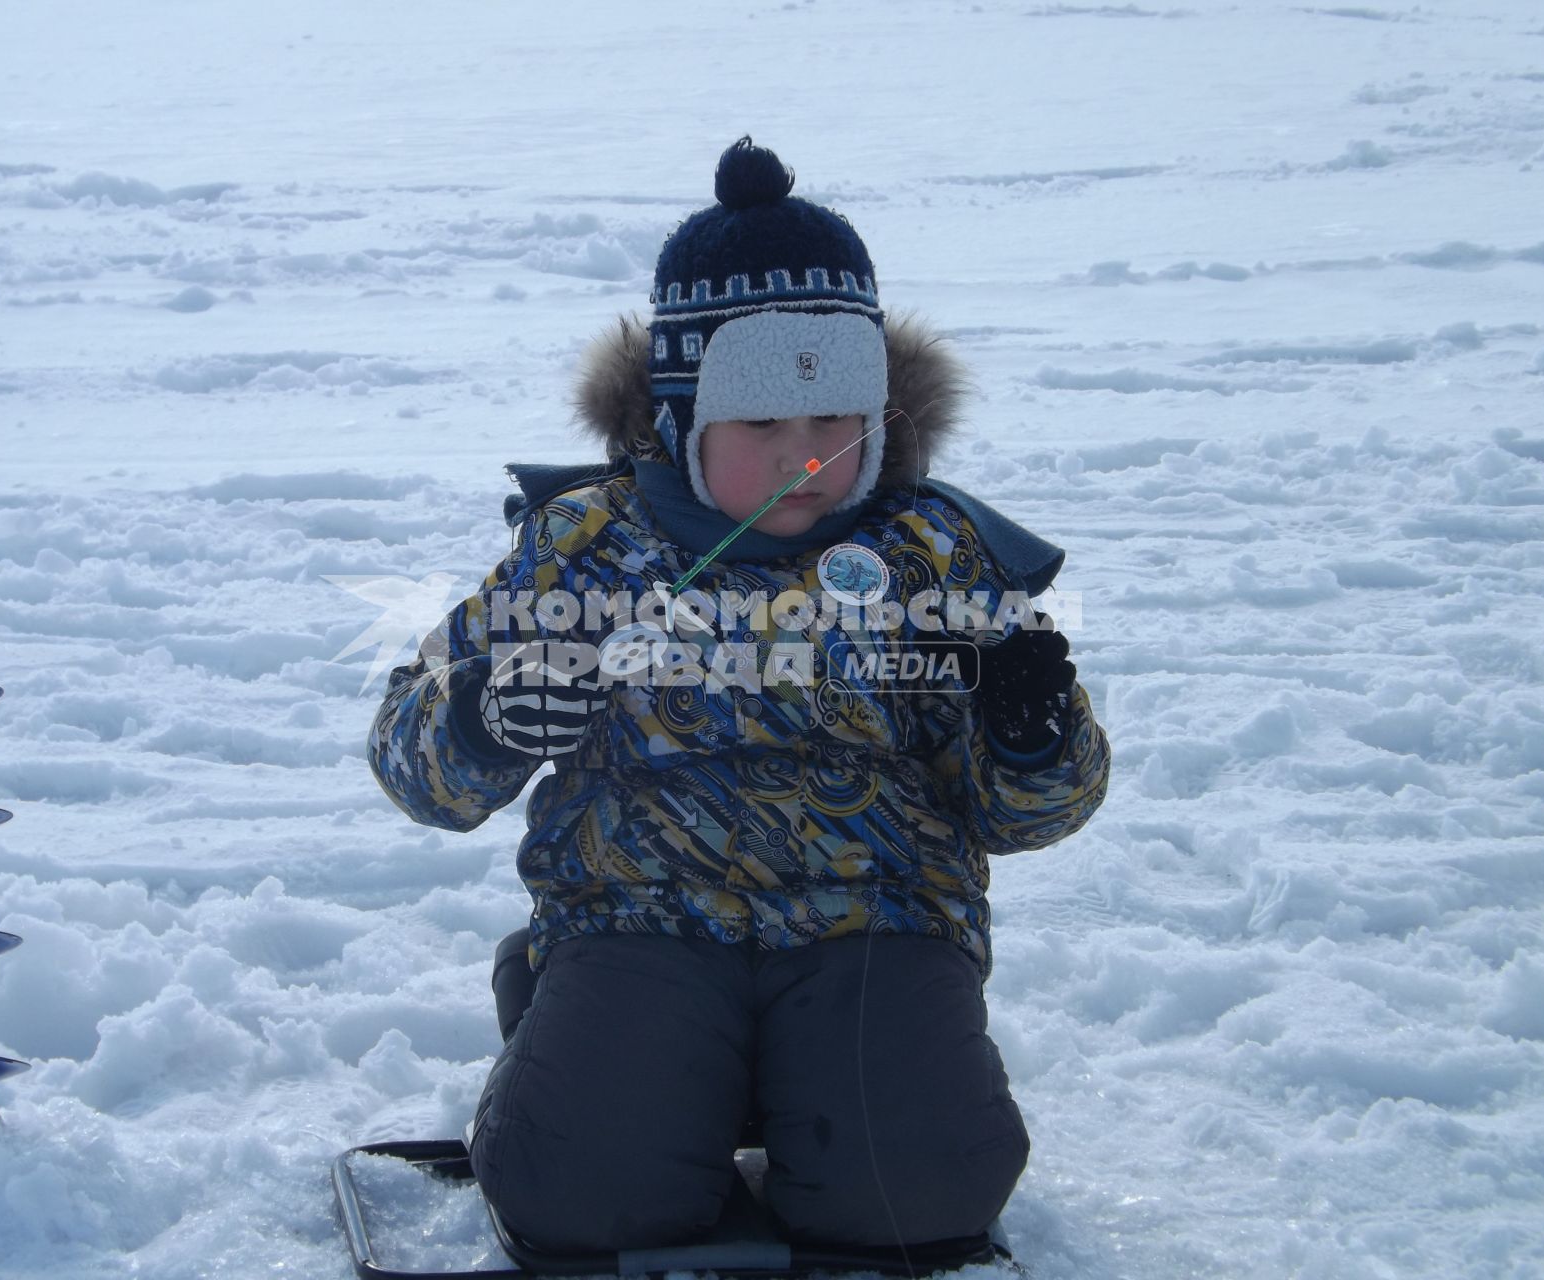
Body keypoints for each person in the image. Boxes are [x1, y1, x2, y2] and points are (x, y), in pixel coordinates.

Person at [369, 138, 1110, 1255]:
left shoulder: (939, 554)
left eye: (832, 425)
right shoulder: (584, 546)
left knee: (924, 1193)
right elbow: (410, 745)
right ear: (680, 416)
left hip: (878, 920)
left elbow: (1025, 814)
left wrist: (1033, 737)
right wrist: (480, 714)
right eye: (763, 427)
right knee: (574, 1192)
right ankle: (559, 1022)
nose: (804, 460)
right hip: (638, 913)